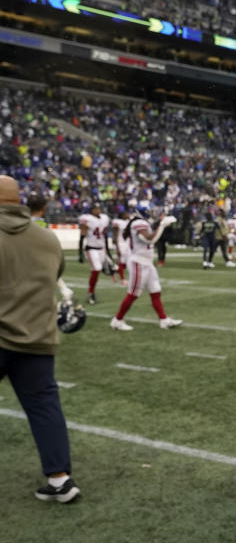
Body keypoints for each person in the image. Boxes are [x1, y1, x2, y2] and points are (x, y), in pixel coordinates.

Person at [0, 175, 80, 503]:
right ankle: (60, 480)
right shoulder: (47, 239)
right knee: (45, 408)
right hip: (36, 336)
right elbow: (54, 275)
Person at [109, 209, 182, 331]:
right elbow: (150, 239)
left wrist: (161, 225)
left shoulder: (141, 223)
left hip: (147, 263)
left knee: (155, 290)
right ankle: (117, 320)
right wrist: (162, 224)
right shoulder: (138, 223)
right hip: (139, 262)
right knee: (133, 294)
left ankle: (163, 320)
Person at [78, 202, 111, 304]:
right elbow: (82, 236)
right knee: (97, 269)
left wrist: (108, 251)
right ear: (91, 210)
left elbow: (104, 235)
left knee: (102, 270)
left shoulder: (104, 218)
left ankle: (91, 293)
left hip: (102, 249)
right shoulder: (87, 219)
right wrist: (80, 252)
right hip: (91, 248)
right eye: (95, 209)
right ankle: (90, 293)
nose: (98, 210)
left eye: (98, 208)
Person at [111, 209, 130, 284]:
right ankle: (123, 280)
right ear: (122, 215)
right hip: (121, 243)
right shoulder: (117, 222)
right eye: (126, 214)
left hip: (128, 244)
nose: (127, 215)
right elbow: (115, 234)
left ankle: (114, 272)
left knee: (127, 263)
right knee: (121, 262)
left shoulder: (128, 222)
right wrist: (117, 246)